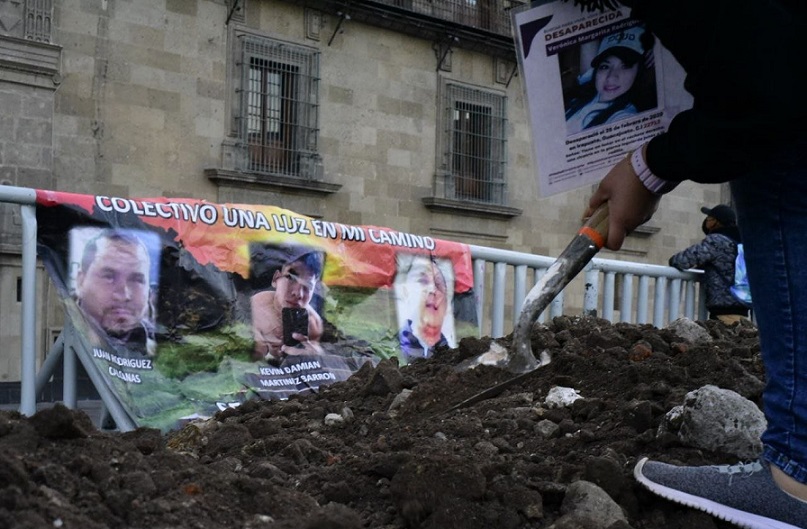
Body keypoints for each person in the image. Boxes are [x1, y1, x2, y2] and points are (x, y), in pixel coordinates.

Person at [575, 1, 807, 527]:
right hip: (736, 311)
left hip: (723, 310)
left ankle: (797, 476)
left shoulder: (715, 246)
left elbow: (763, 88)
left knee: (779, 166)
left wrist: (651, 167)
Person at [74, 229, 156, 357]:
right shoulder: (65, 349)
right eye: (108, 277)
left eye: (136, 280)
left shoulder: (161, 356)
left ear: (149, 290)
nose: (124, 295)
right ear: (80, 281)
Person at [668, 204, 749, 324]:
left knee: (721, 342)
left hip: (724, 312)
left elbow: (683, 260)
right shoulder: (742, 241)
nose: (707, 221)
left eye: (709, 218)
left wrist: (672, 260)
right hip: (742, 311)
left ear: (716, 222)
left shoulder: (716, 241)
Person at [565, 25, 651, 134]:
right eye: (605, 66)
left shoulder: (625, 116)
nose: (611, 77)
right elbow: (586, 32)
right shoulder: (588, 86)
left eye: (625, 66)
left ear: (638, 72)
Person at [250, 246, 325, 360]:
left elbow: (317, 352)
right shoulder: (255, 306)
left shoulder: (313, 324)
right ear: (275, 279)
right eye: (291, 278)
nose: (298, 293)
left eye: (308, 286)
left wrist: (314, 355)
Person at [395, 253, 453, 363]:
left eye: (438, 284)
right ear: (405, 292)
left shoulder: (454, 357)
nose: (432, 290)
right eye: (423, 281)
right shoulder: (389, 347)